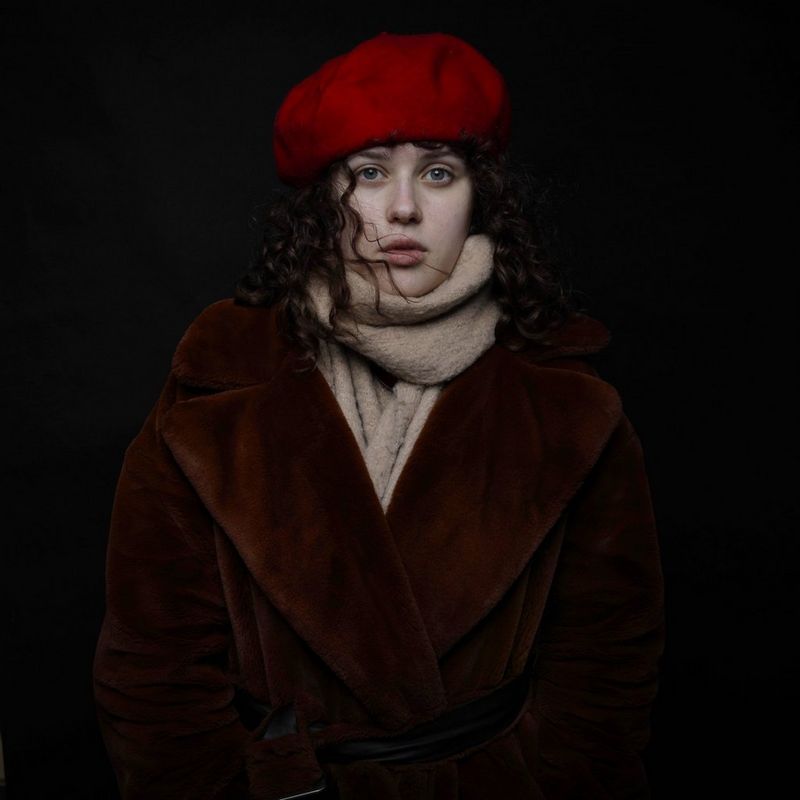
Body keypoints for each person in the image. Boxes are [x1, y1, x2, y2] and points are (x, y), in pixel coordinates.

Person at [92, 31, 665, 800]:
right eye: (369, 173)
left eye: (438, 172)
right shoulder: (219, 381)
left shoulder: (567, 402)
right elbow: (153, 664)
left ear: (481, 196)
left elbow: (607, 662)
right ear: (325, 201)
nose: (402, 208)